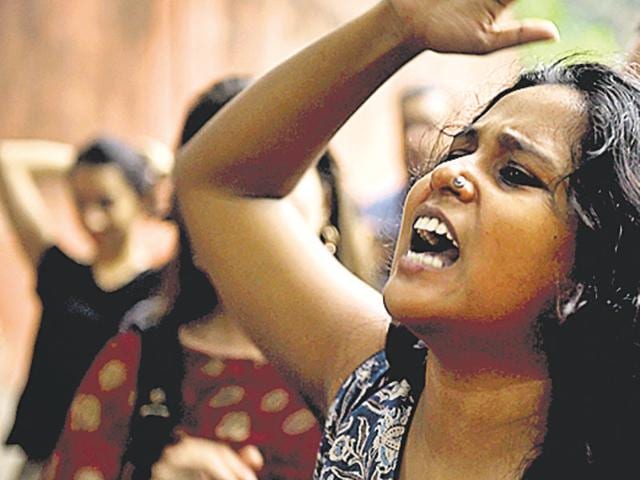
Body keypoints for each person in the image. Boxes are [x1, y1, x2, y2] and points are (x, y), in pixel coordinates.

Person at [175, 1, 640, 478]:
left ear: (594, 263)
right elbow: (218, 187)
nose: (450, 173)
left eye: (514, 174)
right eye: (460, 150)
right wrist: (395, 27)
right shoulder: (374, 389)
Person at [41, 77, 329, 480]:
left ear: (327, 198)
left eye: (283, 165)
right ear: (189, 215)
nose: (254, 197)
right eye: (227, 176)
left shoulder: (386, 367)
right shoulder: (135, 364)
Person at [0, 137, 166, 473]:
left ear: (139, 199)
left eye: (106, 202)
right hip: (42, 463)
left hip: (116, 466)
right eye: (80, 202)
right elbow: (7, 160)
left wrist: (140, 166)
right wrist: (81, 164)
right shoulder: (60, 274)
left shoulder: (160, 289)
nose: (92, 219)